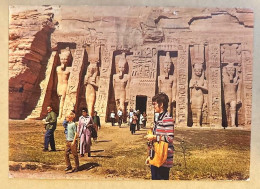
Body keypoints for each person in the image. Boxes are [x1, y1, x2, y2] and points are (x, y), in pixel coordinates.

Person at [145, 92, 174, 180]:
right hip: (156, 156)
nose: (154, 106)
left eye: (155, 104)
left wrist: (154, 137)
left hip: (163, 159)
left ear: (161, 104)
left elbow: (170, 138)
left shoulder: (167, 118)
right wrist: (150, 156)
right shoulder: (159, 118)